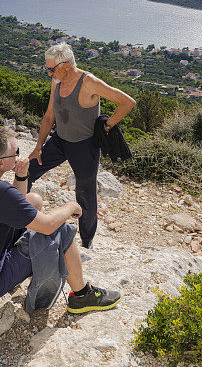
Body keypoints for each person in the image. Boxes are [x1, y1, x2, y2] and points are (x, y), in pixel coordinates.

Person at [0, 127, 120, 313]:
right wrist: (70, 207)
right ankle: (82, 295)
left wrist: (21, 175)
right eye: (16, 153)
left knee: (33, 200)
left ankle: (23, 268)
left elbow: (16, 204)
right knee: (61, 230)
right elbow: (47, 226)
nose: (19, 156)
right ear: (1, 163)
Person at [27, 43, 135, 248]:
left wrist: (108, 125)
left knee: (85, 194)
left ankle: (86, 240)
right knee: (29, 171)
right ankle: (21, 218)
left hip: (85, 146)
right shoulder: (57, 81)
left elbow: (127, 102)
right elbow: (50, 115)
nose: (49, 73)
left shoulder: (89, 82)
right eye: (47, 69)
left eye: (51, 69)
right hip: (59, 141)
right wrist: (38, 146)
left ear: (66, 65)